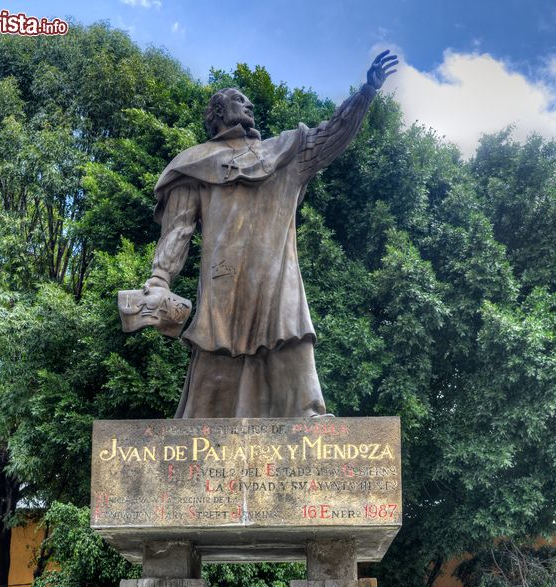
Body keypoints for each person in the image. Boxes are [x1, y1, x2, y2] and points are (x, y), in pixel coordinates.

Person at [140, 50, 398, 419]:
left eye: (248, 101)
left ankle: (306, 413)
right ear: (216, 114)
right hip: (224, 277)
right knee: (217, 350)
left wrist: (365, 94)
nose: (247, 104)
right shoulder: (193, 165)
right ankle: (203, 428)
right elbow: (178, 229)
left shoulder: (284, 152)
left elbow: (332, 136)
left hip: (277, 272)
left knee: (290, 335)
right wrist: (159, 279)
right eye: (237, 99)